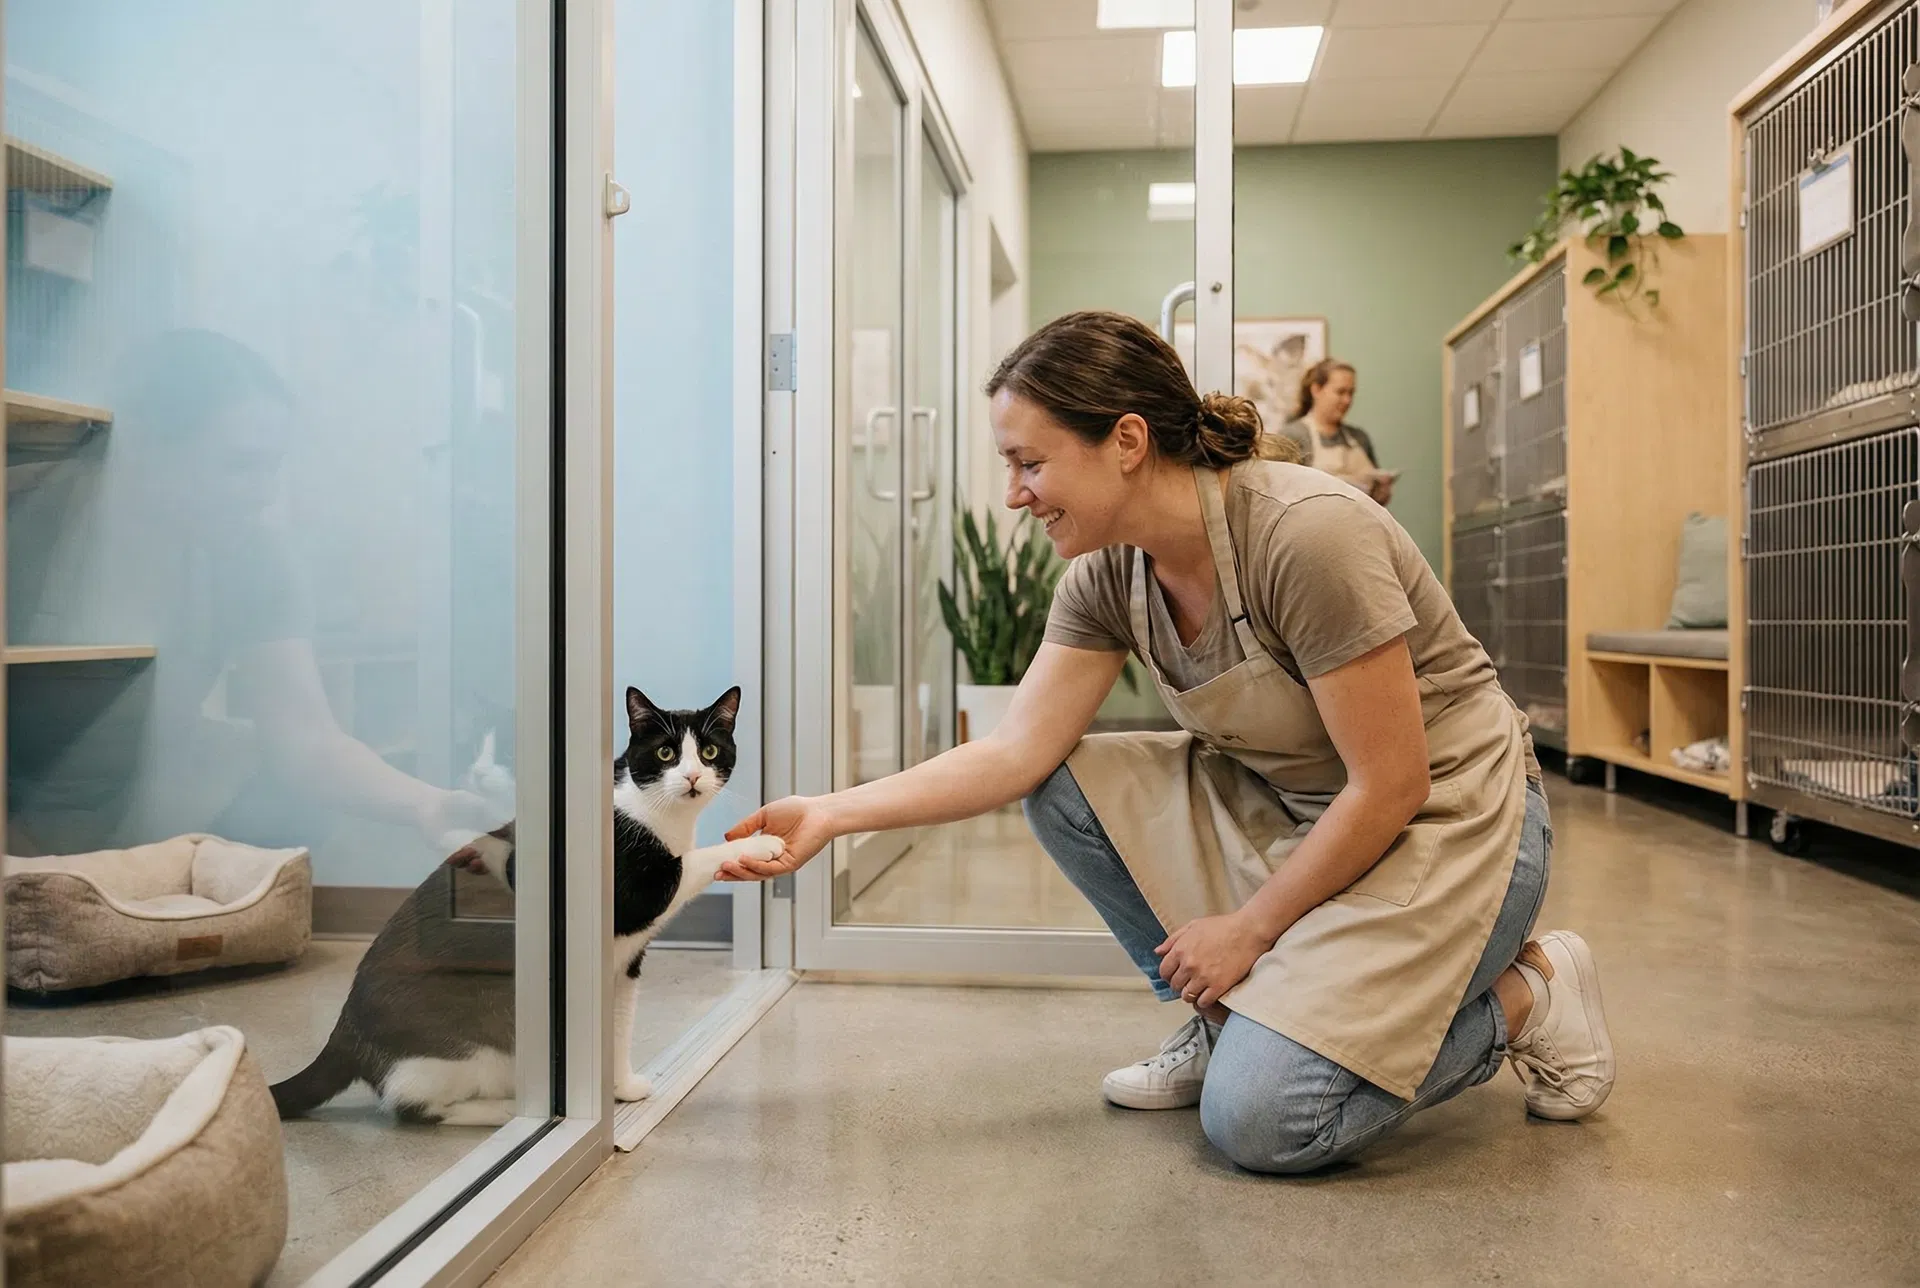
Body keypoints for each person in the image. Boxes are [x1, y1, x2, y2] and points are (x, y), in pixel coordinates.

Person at [719, 310, 1614, 1175]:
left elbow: (1390, 784)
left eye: (1031, 463)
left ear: (1128, 440)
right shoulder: (1109, 573)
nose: (1013, 493)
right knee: (1065, 784)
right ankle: (1225, 1021)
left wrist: (1250, 928)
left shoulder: (1307, 536)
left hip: (1450, 821)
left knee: (1266, 1122)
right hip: (1301, 809)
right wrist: (831, 814)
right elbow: (1013, 752)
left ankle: (1530, 997)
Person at [1280, 358, 1395, 506]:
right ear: (1316, 390)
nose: (1347, 400)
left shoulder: (1359, 437)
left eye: (1351, 393)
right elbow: (1285, 497)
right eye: (1340, 392)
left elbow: (1377, 504)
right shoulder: (1294, 436)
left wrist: (1381, 491)